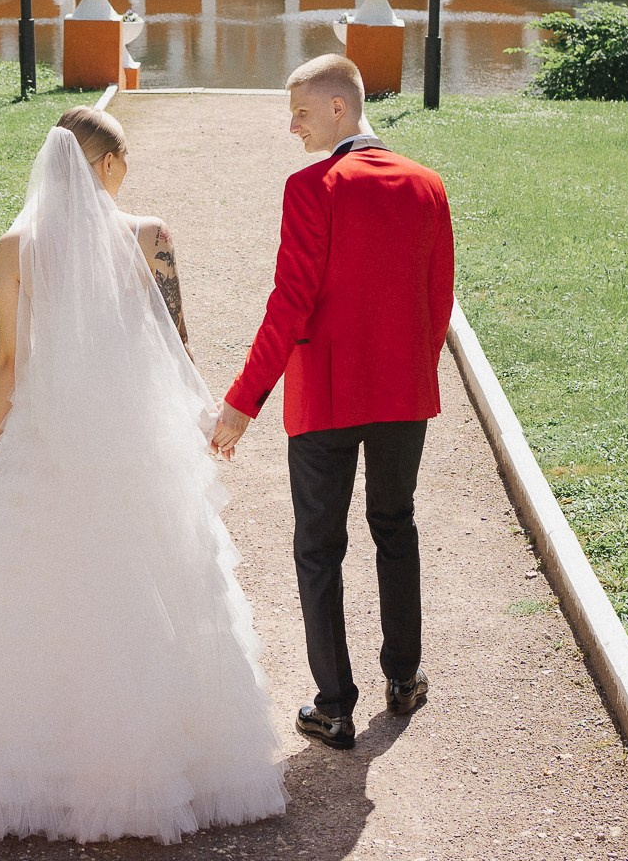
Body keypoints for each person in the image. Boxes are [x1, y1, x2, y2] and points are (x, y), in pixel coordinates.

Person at [0, 106, 283, 844]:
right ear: (107, 166)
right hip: (135, 432)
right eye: (123, 163)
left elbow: (7, 363)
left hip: (48, 429)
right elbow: (177, 340)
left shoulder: (15, 248)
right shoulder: (150, 235)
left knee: (46, 585)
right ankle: (162, 761)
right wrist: (202, 422)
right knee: (150, 576)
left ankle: (35, 763)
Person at [210, 55, 454, 751]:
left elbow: (290, 303)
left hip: (326, 395)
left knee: (319, 548)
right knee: (395, 526)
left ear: (341, 108)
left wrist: (241, 403)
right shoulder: (428, 185)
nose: (292, 127)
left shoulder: (312, 187)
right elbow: (438, 302)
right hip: (404, 395)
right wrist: (410, 373)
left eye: (303, 113)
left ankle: (334, 706)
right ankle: (403, 680)